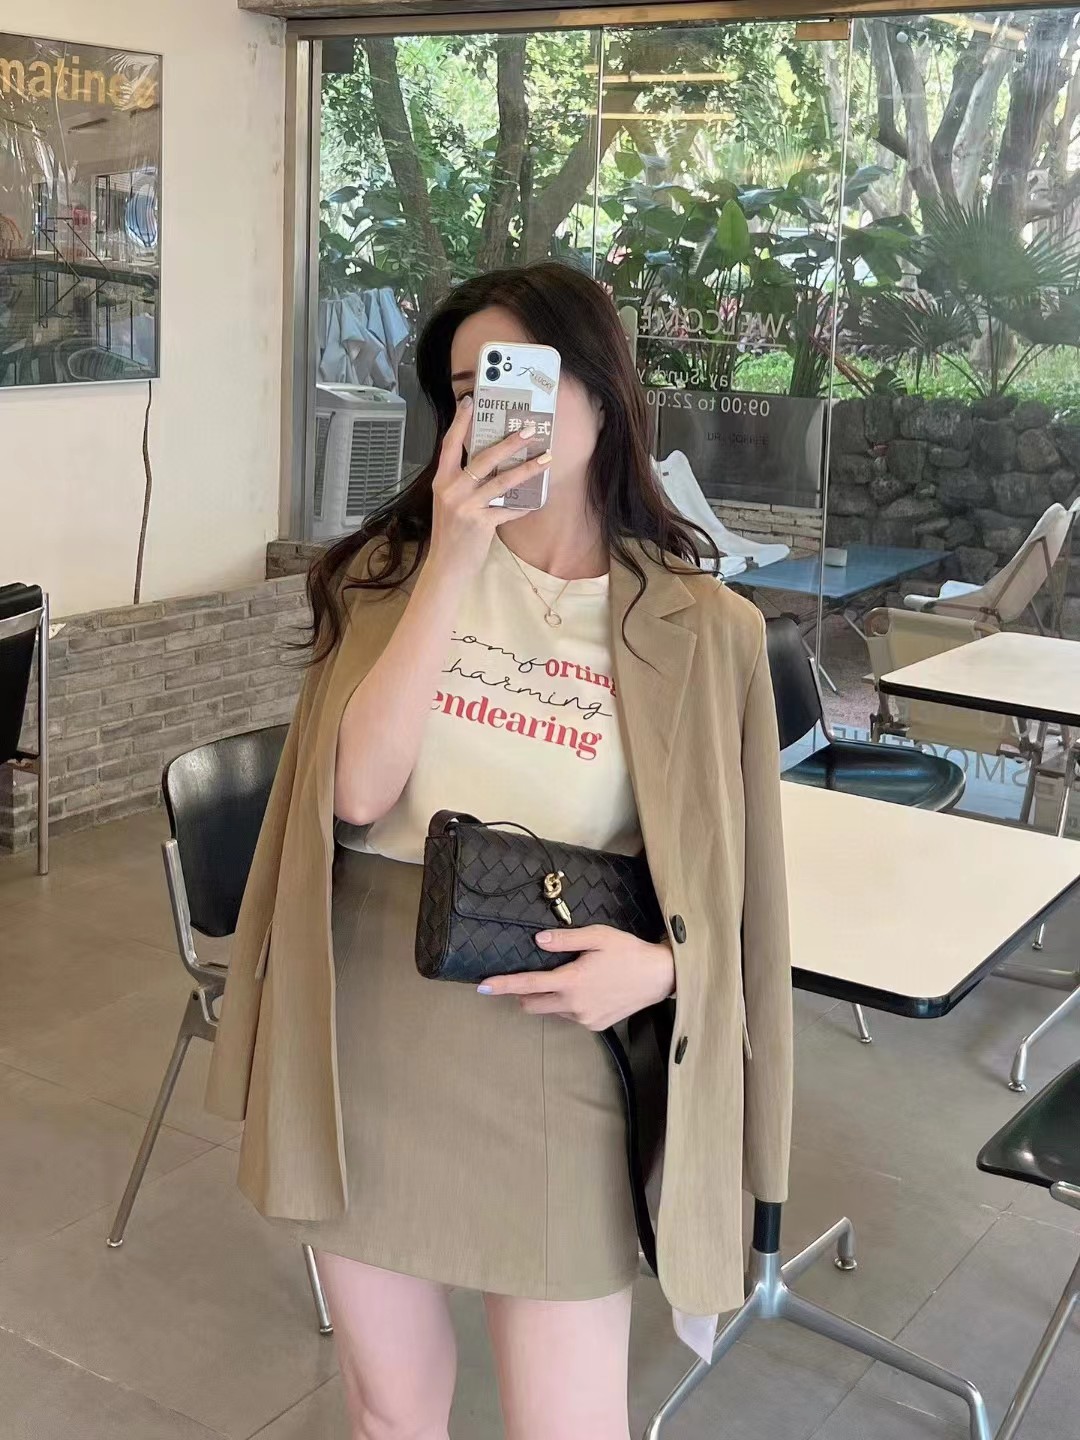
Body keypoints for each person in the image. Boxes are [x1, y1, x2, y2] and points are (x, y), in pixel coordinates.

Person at [206, 262, 793, 1440]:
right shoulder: (385, 581)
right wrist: (453, 558)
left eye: (522, 375)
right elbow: (356, 793)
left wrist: (665, 971)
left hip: (563, 1049)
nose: (494, 407)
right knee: (392, 1414)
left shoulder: (707, 630)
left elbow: (744, 899)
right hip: (370, 1034)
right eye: (470, 388)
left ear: (604, 394)